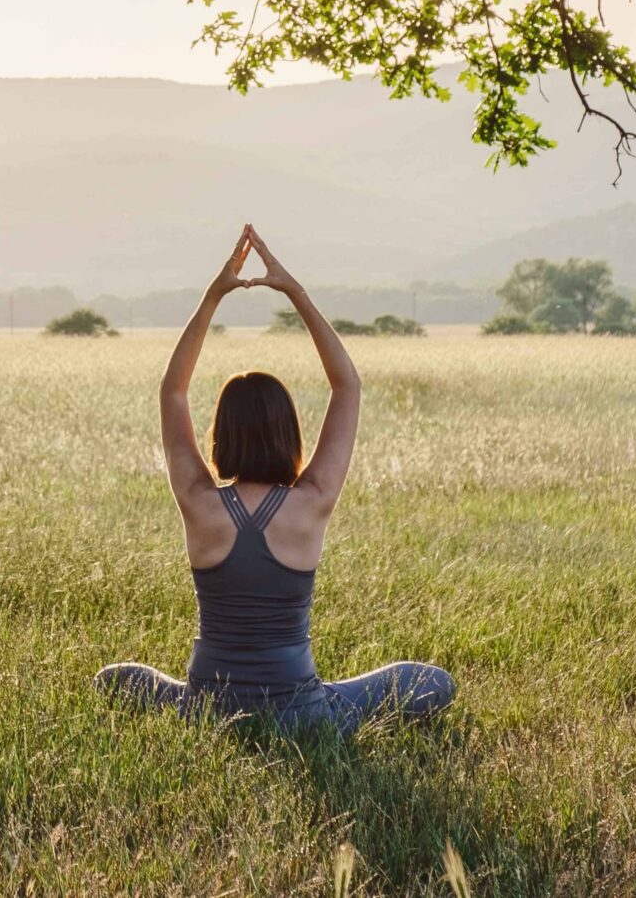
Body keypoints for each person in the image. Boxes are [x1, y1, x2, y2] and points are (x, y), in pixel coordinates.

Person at [96, 225, 455, 734]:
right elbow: (346, 385)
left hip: (205, 711)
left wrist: (213, 295)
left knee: (114, 678)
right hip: (302, 716)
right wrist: (293, 292)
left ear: (220, 434)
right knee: (433, 680)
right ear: (290, 433)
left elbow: (173, 391)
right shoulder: (312, 501)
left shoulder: (198, 501)